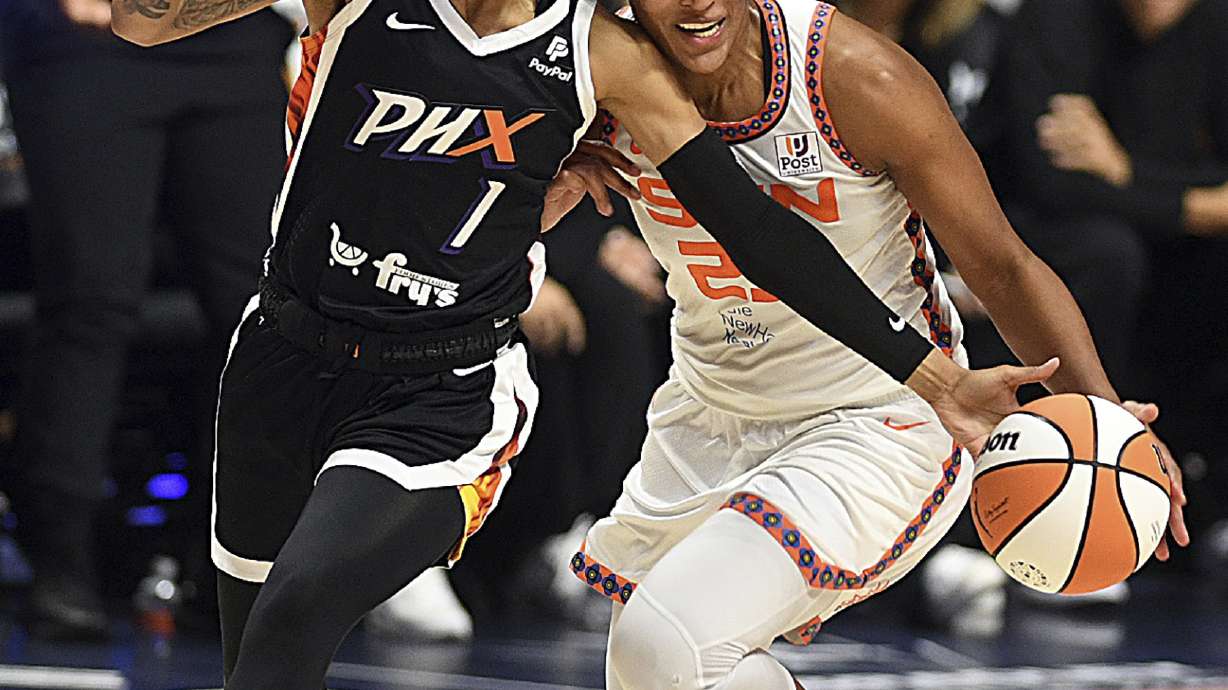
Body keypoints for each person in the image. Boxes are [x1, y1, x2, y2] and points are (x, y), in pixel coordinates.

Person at [114, 0, 1061, 686]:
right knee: (253, 660)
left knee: (295, 610)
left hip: (440, 395)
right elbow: (140, 22)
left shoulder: (601, 54)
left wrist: (936, 375)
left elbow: (756, 230)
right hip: (281, 359)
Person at [550, 1, 1190, 687]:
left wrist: (1106, 416)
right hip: (711, 405)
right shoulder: (598, 69)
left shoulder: (853, 77)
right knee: (652, 671)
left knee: (665, 637)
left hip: (882, 412)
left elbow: (1002, 265)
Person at [0, 0, 292, 639]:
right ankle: (61, 556)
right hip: (87, 37)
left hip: (231, 32)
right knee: (90, 299)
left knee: (260, 312)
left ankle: (228, 561)